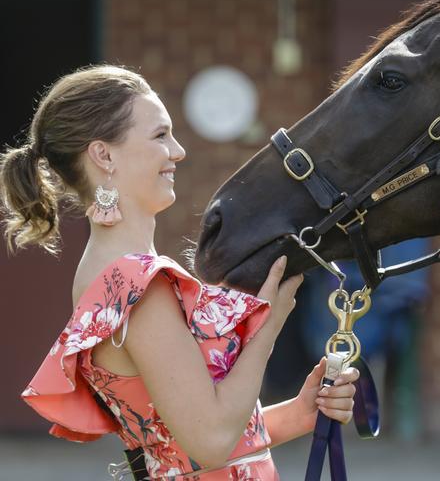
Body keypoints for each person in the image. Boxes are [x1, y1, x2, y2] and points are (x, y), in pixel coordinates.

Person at [0, 65, 358, 480]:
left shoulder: (115, 272)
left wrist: (300, 413)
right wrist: (268, 326)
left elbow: (180, 447)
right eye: (159, 135)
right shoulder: (136, 282)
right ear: (104, 155)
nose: (178, 151)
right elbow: (208, 442)